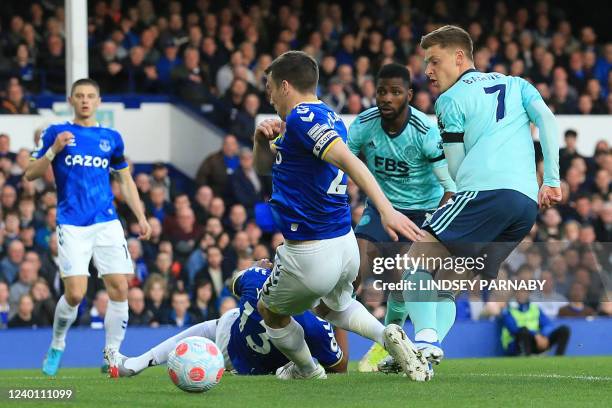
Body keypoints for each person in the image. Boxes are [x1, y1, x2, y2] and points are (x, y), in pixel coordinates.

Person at [386, 25, 560, 374]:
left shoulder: (449, 100)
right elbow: (547, 119)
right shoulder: (517, 84)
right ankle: (428, 348)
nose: (428, 71)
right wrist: (552, 180)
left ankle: (425, 341)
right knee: (449, 285)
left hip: (484, 194)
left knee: (415, 264)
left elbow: (456, 166)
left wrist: (456, 197)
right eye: (426, 63)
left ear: (459, 57)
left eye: (434, 61)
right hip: (525, 206)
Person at [252, 51, 428, 381]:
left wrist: (386, 210)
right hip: (342, 243)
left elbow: (350, 161)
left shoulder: (304, 119)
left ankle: (307, 370)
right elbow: (266, 167)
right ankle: (388, 338)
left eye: (271, 89)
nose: (270, 97)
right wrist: (262, 140)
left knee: (270, 312)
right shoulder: (327, 117)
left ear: (286, 86)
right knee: (332, 308)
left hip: (309, 248)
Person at [25, 78, 152, 377]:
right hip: (72, 223)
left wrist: (141, 216)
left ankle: (112, 354)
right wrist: (54, 150)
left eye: (90, 96)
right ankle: (57, 343)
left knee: (120, 286)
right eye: (79, 96)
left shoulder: (111, 137)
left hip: (106, 221)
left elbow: (125, 180)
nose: (85, 100)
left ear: (98, 101)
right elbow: (31, 173)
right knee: (75, 294)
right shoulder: (55, 132)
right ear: (71, 100)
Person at [347, 63, 456, 371]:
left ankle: (388, 347)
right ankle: (332, 346)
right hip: (381, 210)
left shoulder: (424, 132)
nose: (386, 98)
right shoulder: (363, 125)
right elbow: (343, 165)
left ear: (408, 95)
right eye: (382, 91)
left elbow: (450, 188)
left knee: (401, 284)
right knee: (352, 272)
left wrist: (432, 227)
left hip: (422, 213)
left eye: (395, 92)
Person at [117, 262, 347, 376]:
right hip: (255, 366)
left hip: (231, 342)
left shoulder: (258, 278)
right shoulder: (318, 327)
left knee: (221, 321)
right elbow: (340, 369)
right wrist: (338, 320)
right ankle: (300, 367)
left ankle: (140, 361)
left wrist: (253, 267)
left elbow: (234, 283)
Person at [501, 289, 570, 356]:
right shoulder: (508, 311)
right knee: (523, 331)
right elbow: (513, 329)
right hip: (515, 345)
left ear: (528, 294)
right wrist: (535, 335)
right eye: (519, 292)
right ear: (515, 294)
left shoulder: (535, 308)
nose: (522, 294)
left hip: (537, 342)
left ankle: (559, 358)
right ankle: (525, 359)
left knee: (564, 330)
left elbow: (548, 324)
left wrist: (544, 336)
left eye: (524, 292)